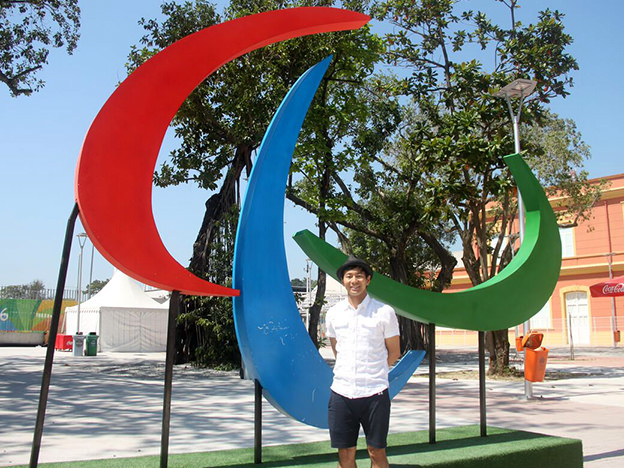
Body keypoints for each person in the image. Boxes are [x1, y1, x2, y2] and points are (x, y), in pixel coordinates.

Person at [325, 255, 401, 468]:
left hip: (375, 393)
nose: (354, 280)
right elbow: (336, 349)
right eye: (349, 276)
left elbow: (394, 352)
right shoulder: (333, 314)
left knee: (376, 452)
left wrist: (374, 372)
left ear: (368, 279)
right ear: (343, 281)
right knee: (345, 454)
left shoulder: (384, 312)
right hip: (341, 392)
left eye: (359, 276)